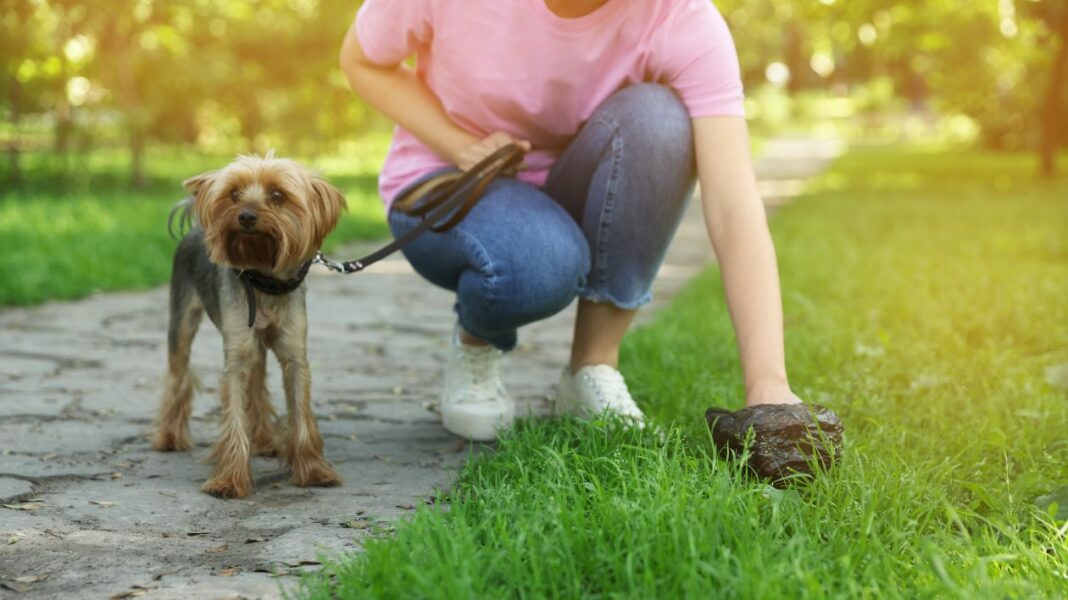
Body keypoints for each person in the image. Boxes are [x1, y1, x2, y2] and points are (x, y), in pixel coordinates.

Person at [339, 0, 803, 442]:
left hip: (565, 190)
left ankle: (592, 368)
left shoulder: (681, 18)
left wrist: (768, 385)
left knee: (661, 120)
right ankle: (476, 342)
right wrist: (460, 144)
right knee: (538, 263)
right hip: (447, 181)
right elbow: (361, 60)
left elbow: (733, 204)